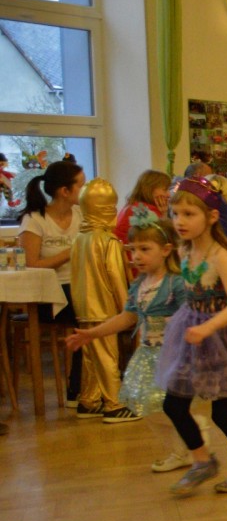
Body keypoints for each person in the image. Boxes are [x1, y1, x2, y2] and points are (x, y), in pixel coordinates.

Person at [67, 207, 211, 466]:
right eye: (133, 250)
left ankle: (192, 434)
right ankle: (182, 449)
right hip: (147, 355)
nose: (136, 256)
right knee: (146, 408)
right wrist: (92, 333)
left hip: (175, 355)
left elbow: (191, 315)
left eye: (145, 249)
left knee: (168, 406)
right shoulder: (139, 285)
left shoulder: (176, 283)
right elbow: (128, 317)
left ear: (166, 250)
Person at [155, 176, 227, 497]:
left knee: (222, 413)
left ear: (212, 217)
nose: (180, 221)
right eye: (176, 214)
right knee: (174, 405)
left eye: (189, 214)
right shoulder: (184, 249)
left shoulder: (221, 256)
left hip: (223, 340)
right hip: (191, 334)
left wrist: (207, 327)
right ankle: (202, 460)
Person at [18, 160, 85, 406]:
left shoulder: (80, 215)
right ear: (64, 191)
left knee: (104, 310)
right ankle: (77, 389)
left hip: (78, 287)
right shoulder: (35, 219)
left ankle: (95, 384)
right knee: (89, 315)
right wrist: (69, 253)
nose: (84, 191)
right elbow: (31, 264)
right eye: (81, 186)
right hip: (48, 293)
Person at [69, 178, 135, 422]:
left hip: (83, 306)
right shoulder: (109, 241)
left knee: (90, 356)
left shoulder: (79, 239)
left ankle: (89, 400)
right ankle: (114, 404)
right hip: (104, 309)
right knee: (107, 356)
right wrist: (128, 309)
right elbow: (116, 277)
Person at [115, 170, 171, 245]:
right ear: (150, 189)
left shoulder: (133, 205)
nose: (168, 195)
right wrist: (163, 217)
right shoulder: (146, 211)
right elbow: (164, 240)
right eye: (165, 190)